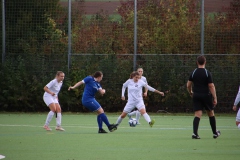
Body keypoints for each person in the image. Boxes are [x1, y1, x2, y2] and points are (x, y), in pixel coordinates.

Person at [187, 55, 220, 139]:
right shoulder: (207, 72)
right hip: (206, 95)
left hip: (196, 95)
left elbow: (188, 85)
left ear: (197, 62)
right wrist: (215, 97)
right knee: (210, 113)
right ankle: (215, 133)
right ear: (205, 62)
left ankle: (195, 133)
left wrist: (190, 92)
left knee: (197, 114)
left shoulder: (194, 72)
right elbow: (211, 86)